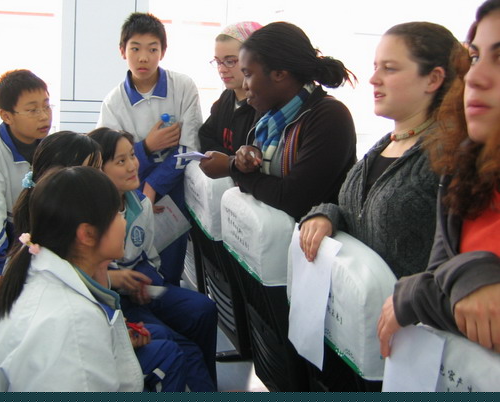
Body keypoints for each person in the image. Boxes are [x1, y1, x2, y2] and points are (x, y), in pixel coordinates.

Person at [9, 130, 198, 391]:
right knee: (169, 353)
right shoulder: (70, 312)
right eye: (114, 217)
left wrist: (119, 336)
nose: (123, 220)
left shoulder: (49, 252)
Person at [378, 0, 500, 358]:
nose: (475, 77)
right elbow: (437, 277)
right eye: (474, 57)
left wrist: (415, 294)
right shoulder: (465, 167)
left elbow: (426, 289)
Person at [299, 22, 465, 278]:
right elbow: (360, 214)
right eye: (376, 67)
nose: (374, 79)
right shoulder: (385, 144)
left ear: (433, 79)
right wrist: (327, 216)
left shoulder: (451, 154)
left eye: (389, 68)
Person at [88, 127, 218, 390]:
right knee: (185, 350)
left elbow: (150, 256)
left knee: (202, 309)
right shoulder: (91, 214)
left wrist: (146, 281)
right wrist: (120, 280)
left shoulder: (141, 204)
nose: (132, 166)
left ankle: (208, 385)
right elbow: (87, 274)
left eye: (132, 156)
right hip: (113, 298)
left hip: (142, 289)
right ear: (98, 170)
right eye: (121, 161)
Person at [200, 21, 356, 221]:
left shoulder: (329, 116)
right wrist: (247, 158)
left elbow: (293, 199)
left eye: (248, 74)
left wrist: (232, 167)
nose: (245, 85)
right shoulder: (268, 116)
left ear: (279, 74)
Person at [97, 12, 203, 285]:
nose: (143, 58)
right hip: (130, 191)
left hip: (174, 188)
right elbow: (108, 158)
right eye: (135, 49)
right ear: (122, 51)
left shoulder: (183, 87)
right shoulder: (114, 102)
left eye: (152, 49)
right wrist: (146, 147)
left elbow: (189, 147)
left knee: (170, 266)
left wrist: (153, 186)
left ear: (163, 52)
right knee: (133, 264)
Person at [0, 69, 52, 297]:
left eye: (46, 106)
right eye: (32, 110)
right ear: (6, 116)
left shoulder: (50, 144)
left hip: (42, 242)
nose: (44, 116)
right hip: (11, 245)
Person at [198, 21, 263, 154]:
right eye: (218, 62)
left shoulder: (263, 106)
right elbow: (205, 136)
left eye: (230, 61)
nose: (222, 69)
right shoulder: (226, 98)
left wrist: (227, 162)